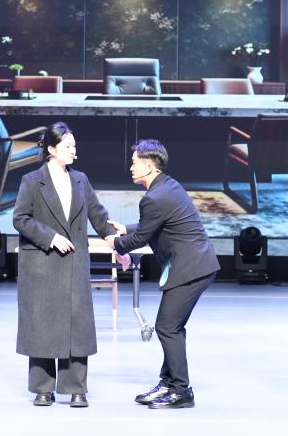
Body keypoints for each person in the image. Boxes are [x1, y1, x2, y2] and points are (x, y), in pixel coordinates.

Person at [12, 123, 127, 408]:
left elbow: (98, 216)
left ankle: (76, 387)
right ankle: (42, 387)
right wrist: (50, 237)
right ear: (51, 150)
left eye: (74, 146)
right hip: (42, 262)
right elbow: (20, 219)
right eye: (67, 146)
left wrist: (117, 245)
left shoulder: (80, 179)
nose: (73, 151)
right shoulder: (32, 181)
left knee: (77, 326)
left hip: (74, 262)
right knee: (41, 324)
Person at [108, 139, 219, 409]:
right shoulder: (167, 186)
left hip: (190, 268)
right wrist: (126, 228)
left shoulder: (154, 198)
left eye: (134, 162)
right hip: (197, 265)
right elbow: (155, 223)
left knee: (167, 327)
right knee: (172, 327)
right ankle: (168, 382)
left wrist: (116, 243)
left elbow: (142, 237)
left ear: (149, 166)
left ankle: (181, 390)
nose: (131, 167)